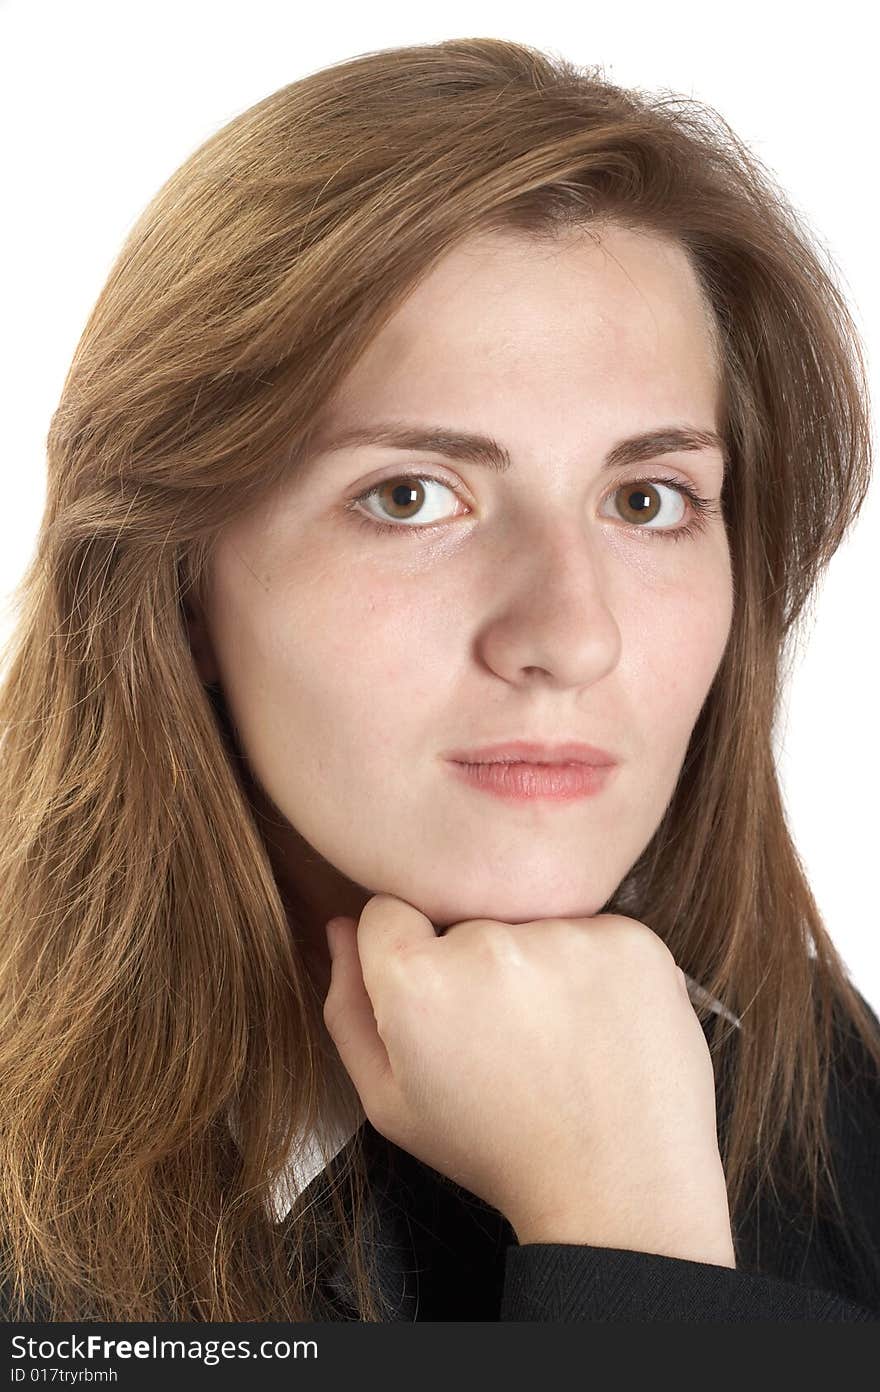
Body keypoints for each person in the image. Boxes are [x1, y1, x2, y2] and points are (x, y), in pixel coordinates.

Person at [1, 36, 878, 1323]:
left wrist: (628, 1220)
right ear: (176, 578)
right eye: (411, 496)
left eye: (646, 499)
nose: (568, 636)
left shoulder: (841, 1124)